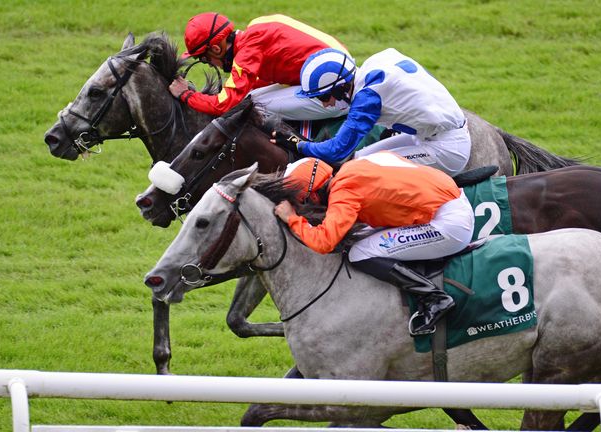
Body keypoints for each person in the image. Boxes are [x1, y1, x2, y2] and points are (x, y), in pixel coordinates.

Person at [273, 151, 475, 335]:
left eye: (306, 202)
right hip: (451, 200)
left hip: (449, 224)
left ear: (315, 194)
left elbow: (324, 242)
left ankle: (434, 298)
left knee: (359, 252)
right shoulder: (355, 165)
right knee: (364, 236)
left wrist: (293, 218)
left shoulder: (344, 193)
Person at [274, 47, 471, 176]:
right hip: (432, 135)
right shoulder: (374, 63)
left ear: (342, 88)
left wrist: (298, 144)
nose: (325, 105)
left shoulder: (367, 98)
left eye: (325, 97)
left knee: (363, 172)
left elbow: (337, 150)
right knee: (356, 161)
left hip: (447, 149)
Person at [169, 13, 351, 121]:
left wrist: (187, 95)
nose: (208, 64)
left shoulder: (249, 49)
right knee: (249, 97)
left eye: (204, 59)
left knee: (249, 106)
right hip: (340, 72)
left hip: (337, 96)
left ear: (216, 49)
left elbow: (223, 105)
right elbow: (262, 78)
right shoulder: (257, 26)